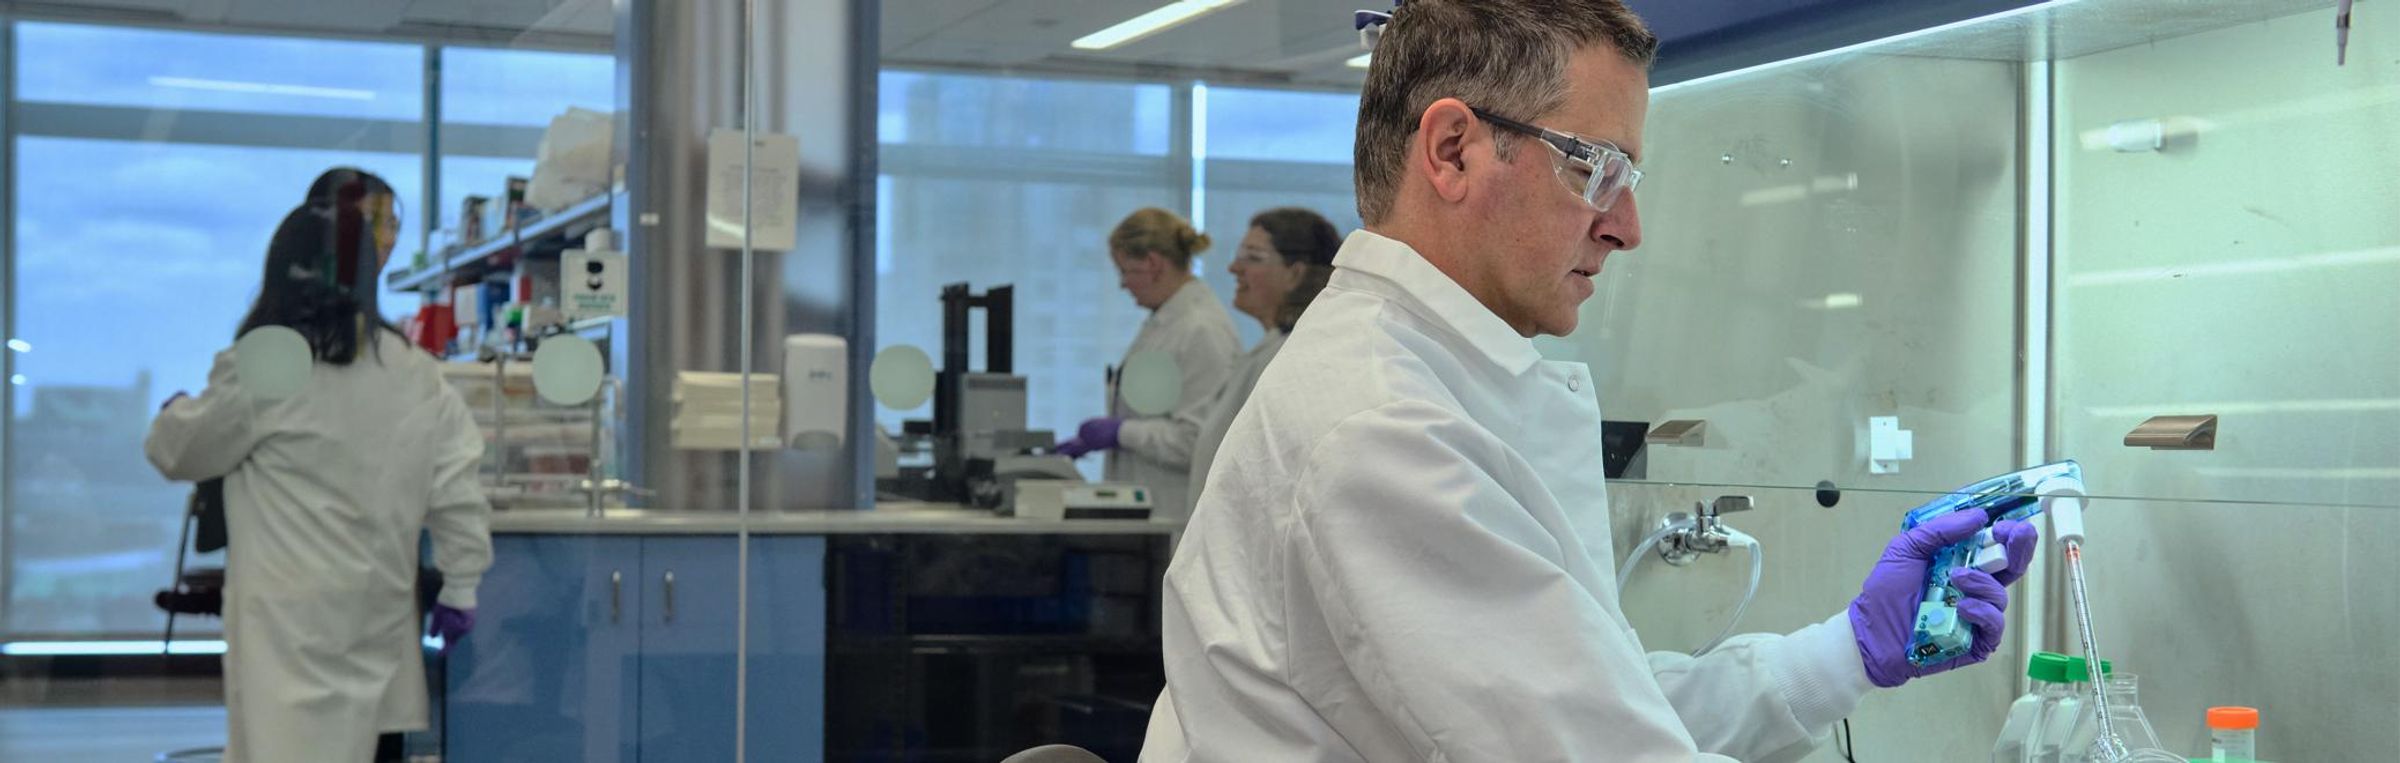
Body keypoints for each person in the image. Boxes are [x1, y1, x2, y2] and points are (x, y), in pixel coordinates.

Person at [1140, 3, 2040, 761]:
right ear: (1452, 150)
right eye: (1595, 167)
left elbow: (1605, 705)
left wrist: (1853, 646)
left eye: (1630, 175)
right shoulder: (1384, 429)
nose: (1627, 225)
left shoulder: (1439, 382)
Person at [146, 168, 494, 763]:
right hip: (376, 622)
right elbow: (457, 483)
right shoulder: (411, 370)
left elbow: (179, 451)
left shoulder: (269, 364)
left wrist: (175, 412)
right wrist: (460, 585)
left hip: (290, 632)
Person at [1055, 208, 1240, 516]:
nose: (1123, 285)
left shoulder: (1201, 329)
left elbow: (1198, 441)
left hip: (1175, 514)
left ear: (1153, 264)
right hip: (1149, 515)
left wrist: (1120, 433)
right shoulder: (1166, 323)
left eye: (1125, 271)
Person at [1183, 208, 1341, 518]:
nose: (1233, 268)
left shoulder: (1294, 357)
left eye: (1252, 258)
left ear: (1295, 273)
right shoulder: (1271, 349)